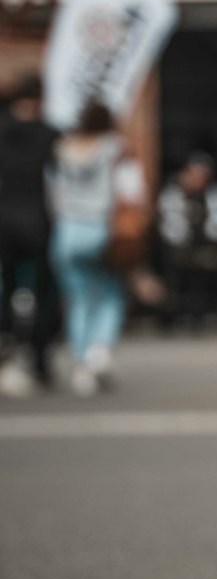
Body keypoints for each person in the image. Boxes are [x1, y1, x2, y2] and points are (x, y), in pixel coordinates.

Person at [49, 99, 146, 396]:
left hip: (66, 230)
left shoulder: (63, 149)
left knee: (78, 299)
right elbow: (133, 190)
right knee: (108, 294)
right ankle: (98, 354)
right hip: (101, 228)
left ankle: (81, 363)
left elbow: (52, 192)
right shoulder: (116, 148)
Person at [0, 74, 60, 394]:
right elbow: (59, 183)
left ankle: (7, 345)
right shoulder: (49, 134)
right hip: (38, 221)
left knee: (5, 287)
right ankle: (39, 356)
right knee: (44, 292)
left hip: (3, 221)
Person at [156, 151, 217, 325]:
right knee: (176, 270)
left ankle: (207, 311)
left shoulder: (216, 194)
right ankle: (178, 311)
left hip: (207, 246)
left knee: (208, 268)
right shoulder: (173, 194)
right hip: (179, 249)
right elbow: (170, 228)